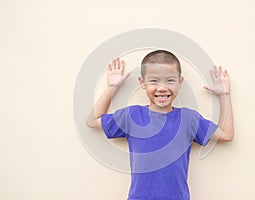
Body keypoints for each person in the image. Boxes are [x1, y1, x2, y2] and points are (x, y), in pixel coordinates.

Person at [86, 50, 234, 200]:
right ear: (142, 83)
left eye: (170, 80)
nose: (162, 88)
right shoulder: (132, 116)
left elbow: (227, 134)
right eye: (154, 80)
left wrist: (224, 95)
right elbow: (92, 121)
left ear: (180, 82)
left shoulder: (188, 119)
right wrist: (112, 87)